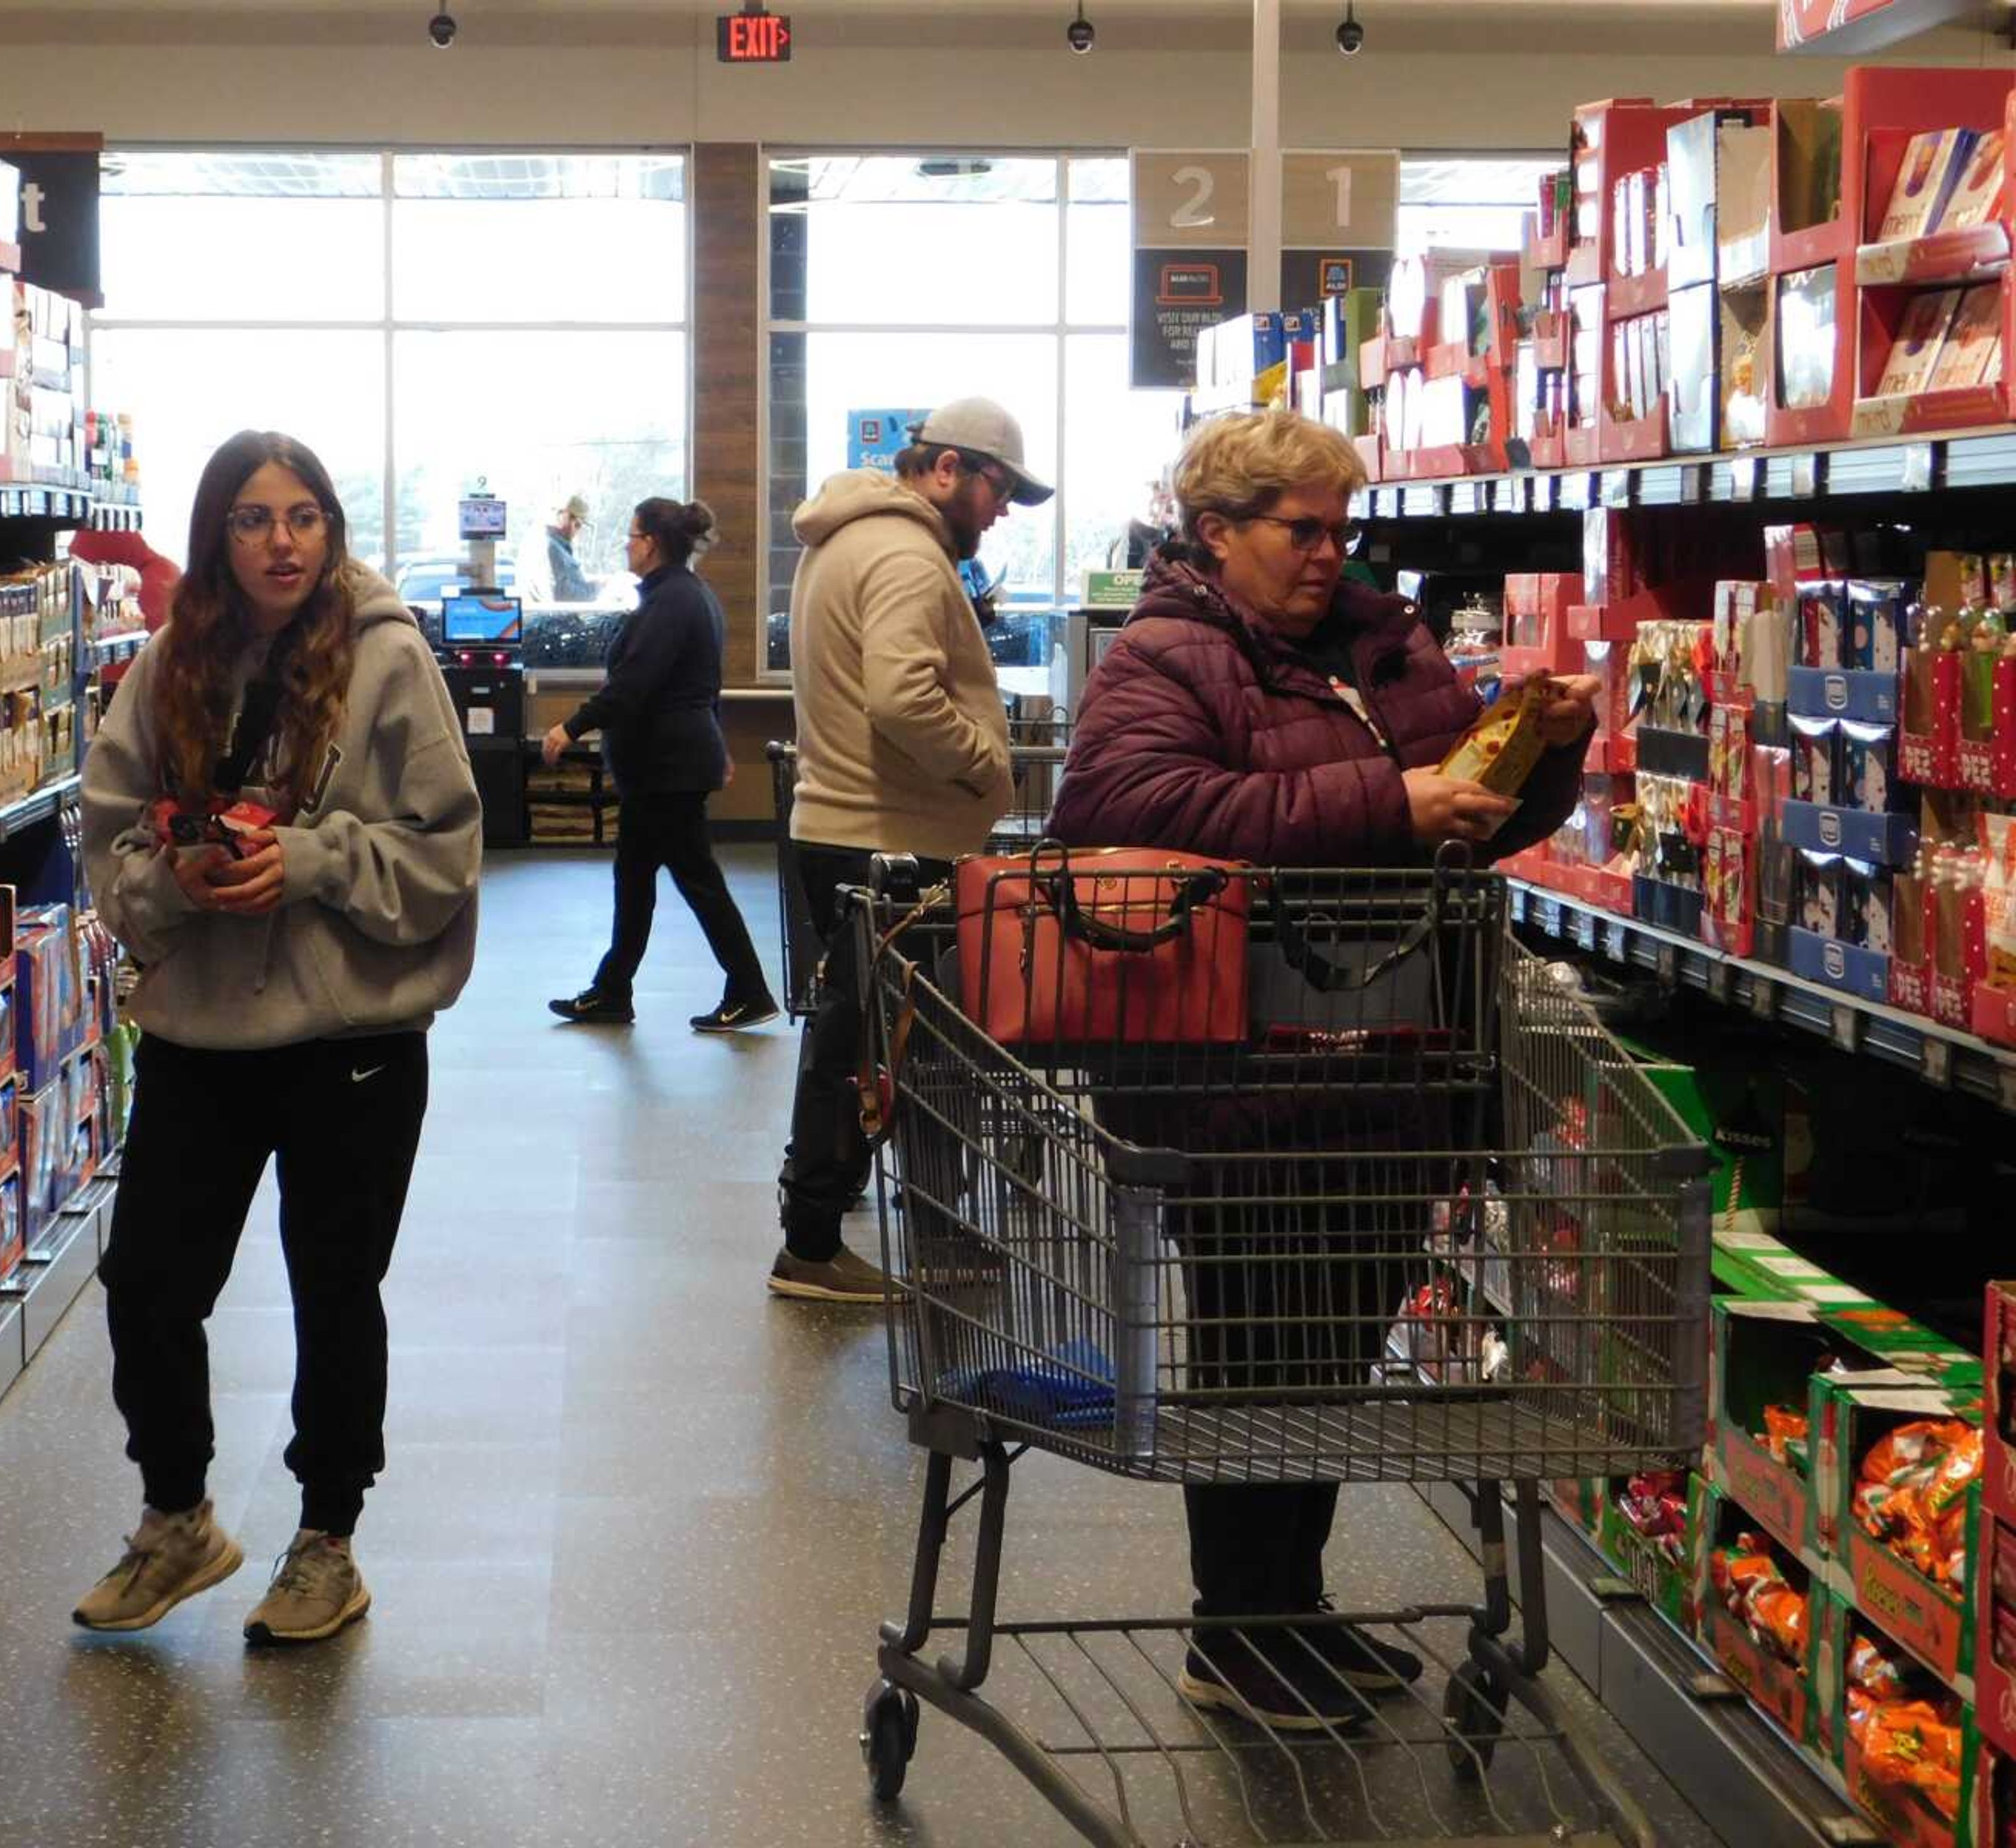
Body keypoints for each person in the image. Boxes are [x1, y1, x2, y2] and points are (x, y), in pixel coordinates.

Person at [1046, 409, 1598, 1729]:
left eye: (1340, 529)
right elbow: (1128, 816)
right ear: (1217, 531)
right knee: (1257, 1358)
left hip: (1394, 1062)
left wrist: (1542, 748)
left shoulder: (1379, 640)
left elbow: (1474, 807)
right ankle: (1230, 1638)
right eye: (1300, 529)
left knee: (1332, 1359)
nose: (1325, 553)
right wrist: (1386, 804)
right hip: (1239, 1075)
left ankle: (1286, 1608)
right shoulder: (1165, 657)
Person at [74, 429, 483, 1648]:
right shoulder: (168, 665)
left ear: (332, 529)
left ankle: (326, 1541)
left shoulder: (389, 663)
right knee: (147, 1281)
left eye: (303, 515)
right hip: (201, 1033)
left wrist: (309, 862)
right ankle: (178, 1516)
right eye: (253, 519)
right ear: (217, 537)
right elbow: (109, 838)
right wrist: (181, 880)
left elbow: (447, 853)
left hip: (346, 1038)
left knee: (333, 1288)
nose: (282, 541)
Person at [770, 396, 1051, 1303]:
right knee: (894, 1049)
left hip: (847, 830)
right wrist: (984, 770)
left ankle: (857, 1234)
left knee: (861, 1037)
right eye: (998, 487)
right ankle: (817, 1244)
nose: (1000, 510)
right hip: (888, 843)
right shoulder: (905, 556)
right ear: (945, 470)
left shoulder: (844, 540)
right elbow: (902, 698)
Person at [541, 499, 779, 1032]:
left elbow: (634, 686)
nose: (626, 544)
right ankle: (612, 990)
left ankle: (749, 987)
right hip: (663, 767)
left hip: (666, 768)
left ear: (651, 543)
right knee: (635, 879)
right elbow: (700, 685)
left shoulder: (672, 602)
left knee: (698, 880)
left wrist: (570, 726)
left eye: (631, 535)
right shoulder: (687, 596)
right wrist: (717, 747)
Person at [519, 494, 599, 606]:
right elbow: (562, 595)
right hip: (555, 621)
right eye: (577, 525)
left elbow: (565, 581)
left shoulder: (544, 542)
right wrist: (598, 588)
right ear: (563, 516)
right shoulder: (549, 547)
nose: (577, 531)